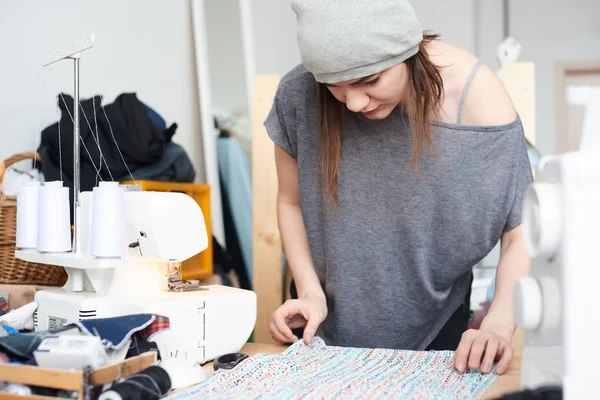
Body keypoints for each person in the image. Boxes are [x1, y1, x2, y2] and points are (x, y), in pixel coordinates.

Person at [265, 0, 532, 376]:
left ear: (408, 50)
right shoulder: (298, 94)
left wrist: (499, 325)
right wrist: (309, 292)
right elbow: (290, 201)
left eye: (369, 80)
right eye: (334, 87)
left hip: (437, 328)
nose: (354, 103)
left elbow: (520, 229)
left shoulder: (476, 98)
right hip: (322, 328)